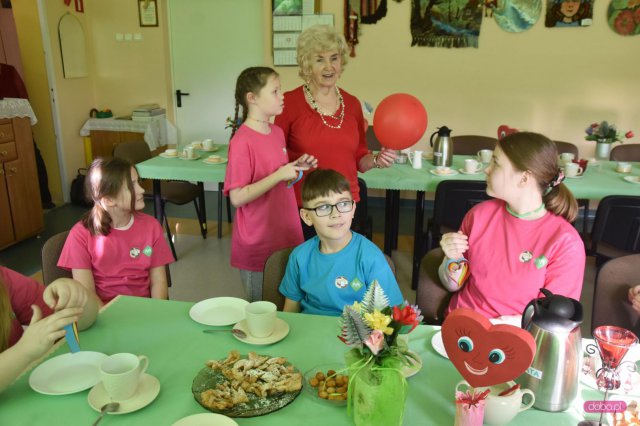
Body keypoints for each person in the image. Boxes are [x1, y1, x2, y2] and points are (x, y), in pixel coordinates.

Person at [439, 132, 585, 319]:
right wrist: (451, 259)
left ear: (524, 178)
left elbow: (554, 317)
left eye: (496, 163)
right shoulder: (478, 215)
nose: (487, 169)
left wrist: (494, 330)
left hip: (518, 337)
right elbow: (454, 285)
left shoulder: (565, 241)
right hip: (461, 326)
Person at [274, 25, 396, 238]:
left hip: (345, 207)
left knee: (343, 270)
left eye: (334, 58)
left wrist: (377, 160)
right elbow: (275, 161)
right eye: (319, 59)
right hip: (306, 208)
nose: (328, 66)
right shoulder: (289, 103)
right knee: (308, 268)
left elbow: (360, 159)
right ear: (306, 64)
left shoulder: (353, 104)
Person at [224, 67, 317, 302]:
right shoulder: (241, 141)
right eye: (275, 91)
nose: (282, 96)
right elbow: (237, 197)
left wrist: (295, 169)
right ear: (252, 98)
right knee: (262, 310)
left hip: (286, 232)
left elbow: (277, 179)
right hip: (259, 240)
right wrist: (279, 174)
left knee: (290, 305)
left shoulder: (276, 132)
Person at [279, 169, 404, 316]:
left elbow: (392, 316)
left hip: (357, 335)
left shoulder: (371, 257)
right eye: (323, 207)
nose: (336, 214)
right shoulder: (299, 257)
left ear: (353, 209)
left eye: (343, 204)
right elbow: (290, 313)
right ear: (307, 216)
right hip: (310, 333)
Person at [58, 157, 174, 306]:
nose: (142, 189)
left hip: (144, 311)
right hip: (103, 315)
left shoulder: (151, 226)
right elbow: (87, 294)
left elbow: (159, 282)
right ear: (108, 200)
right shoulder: (80, 235)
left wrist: (154, 312)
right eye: (132, 186)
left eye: (138, 182)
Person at [0, 266, 98, 392]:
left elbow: (74, 323)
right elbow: (27, 349)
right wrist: (23, 351)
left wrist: (79, 299)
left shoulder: (5, 280)